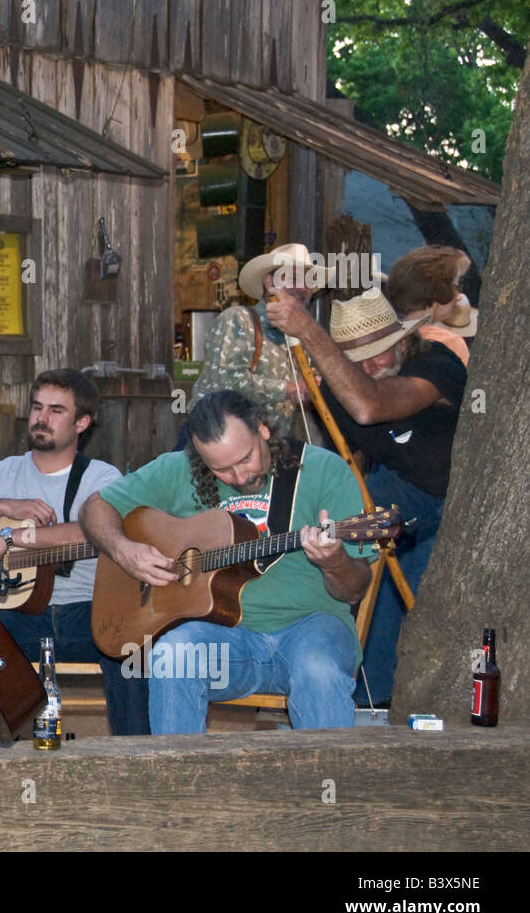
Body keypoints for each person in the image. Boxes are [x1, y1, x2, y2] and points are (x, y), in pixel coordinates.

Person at [81, 391, 371, 733]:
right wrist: (123, 550)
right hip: (226, 637)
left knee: (318, 669)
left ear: (263, 429)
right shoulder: (177, 470)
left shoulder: (324, 471)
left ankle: (330, 784)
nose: (239, 476)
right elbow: (95, 508)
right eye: (221, 469)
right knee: (174, 655)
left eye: (246, 458)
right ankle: (178, 782)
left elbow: (354, 591)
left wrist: (333, 561)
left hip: (311, 629)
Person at [0, 368, 146, 735]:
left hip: (85, 613)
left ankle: (135, 757)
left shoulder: (101, 478)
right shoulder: (5, 472)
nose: (41, 417)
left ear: (82, 422)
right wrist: (7, 504)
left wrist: (12, 536)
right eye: (37, 407)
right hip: (18, 613)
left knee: (132, 644)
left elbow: (98, 535)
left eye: (56, 410)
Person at [269, 285, 466, 707]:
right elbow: (349, 457)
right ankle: (364, 694)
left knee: (414, 585)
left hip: (460, 495)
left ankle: (385, 691)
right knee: (351, 543)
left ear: (404, 340)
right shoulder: (345, 389)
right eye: (360, 357)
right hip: (402, 491)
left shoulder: (437, 364)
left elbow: (369, 408)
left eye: (385, 349)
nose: (377, 363)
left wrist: (306, 328)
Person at [185, 243, 331, 443]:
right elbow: (226, 381)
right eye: (292, 277)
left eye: (307, 280)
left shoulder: (303, 337)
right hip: (213, 445)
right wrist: (289, 390)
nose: (301, 287)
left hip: (266, 449)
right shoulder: (239, 320)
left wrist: (313, 386)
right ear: (269, 281)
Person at [381, 244, 473, 366]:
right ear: (437, 292)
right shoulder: (449, 343)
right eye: (456, 286)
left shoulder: (381, 337)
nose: (458, 296)